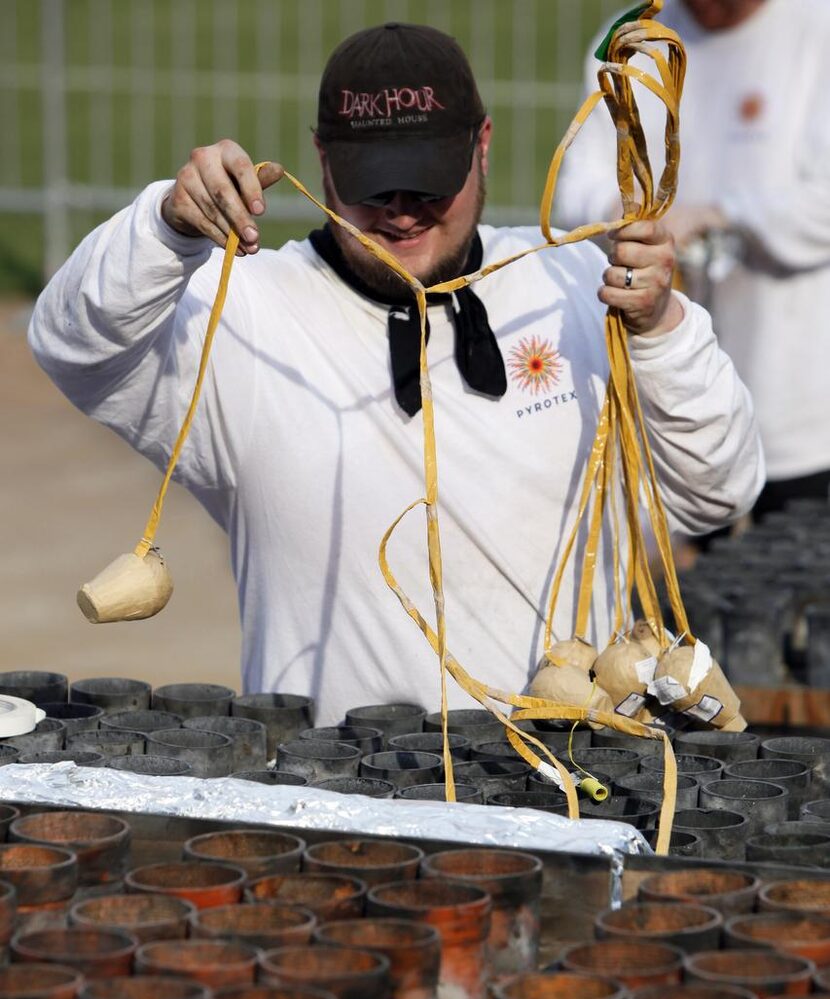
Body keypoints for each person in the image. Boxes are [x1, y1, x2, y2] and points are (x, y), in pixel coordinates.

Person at [28, 22, 762, 724]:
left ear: (482, 147)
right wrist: (163, 228)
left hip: (573, 788)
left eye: (427, 184)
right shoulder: (244, 312)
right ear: (322, 160)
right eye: (374, 186)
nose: (402, 214)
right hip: (338, 807)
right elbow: (71, 342)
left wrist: (662, 332)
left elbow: (715, 491)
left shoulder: (577, 286)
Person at [555, 0, 830, 520]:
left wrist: (719, 216)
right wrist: (620, 213)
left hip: (800, 399)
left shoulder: (817, 30)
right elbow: (578, 187)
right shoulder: (632, 39)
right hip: (672, 408)